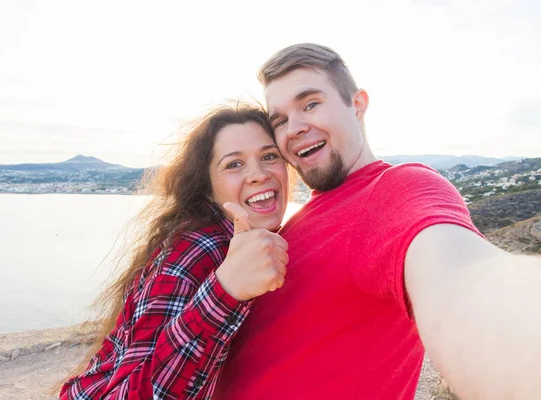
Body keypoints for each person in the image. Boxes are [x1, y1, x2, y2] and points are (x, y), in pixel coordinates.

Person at [214, 44, 541, 399]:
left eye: (310, 104)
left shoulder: (395, 191)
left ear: (357, 105)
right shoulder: (303, 217)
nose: (293, 128)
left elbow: (466, 281)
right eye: (279, 119)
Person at [59, 103, 290, 399]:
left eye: (269, 156)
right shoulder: (197, 249)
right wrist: (225, 290)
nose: (258, 174)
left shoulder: (244, 240)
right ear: (208, 187)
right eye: (234, 164)